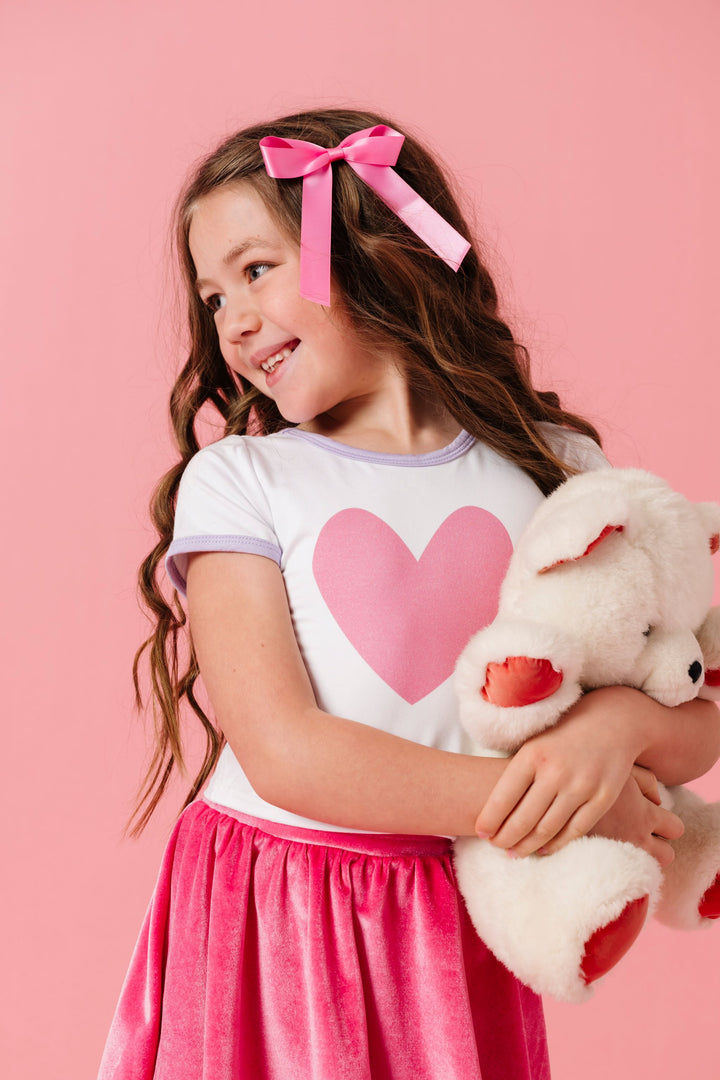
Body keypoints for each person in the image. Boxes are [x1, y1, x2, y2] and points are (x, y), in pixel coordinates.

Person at [98, 108, 720, 1080]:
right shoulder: (243, 482)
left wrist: (613, 735)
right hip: (281, 905)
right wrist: (559, 807)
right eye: (212, 298)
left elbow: (695, 711)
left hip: (457, 903)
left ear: (372, 249)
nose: (233, 322)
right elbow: (287, 751)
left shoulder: (554, 471)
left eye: (256, 271)